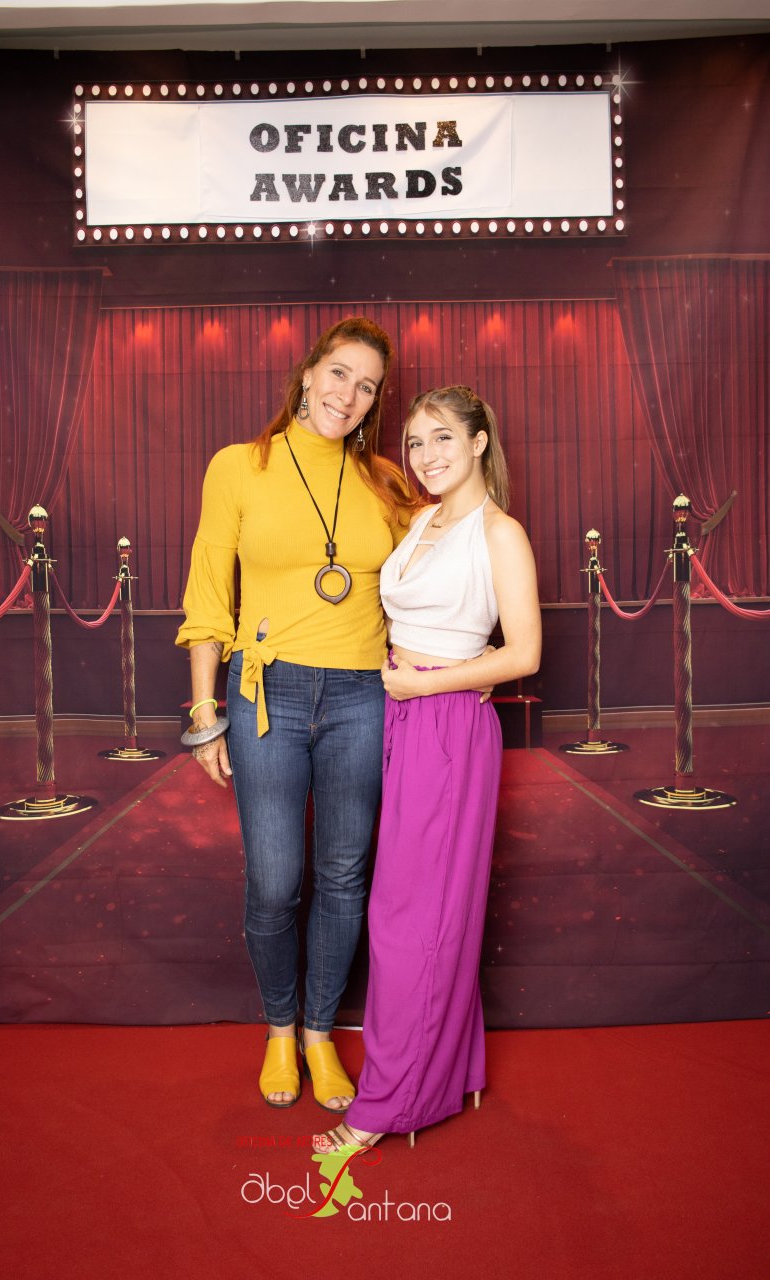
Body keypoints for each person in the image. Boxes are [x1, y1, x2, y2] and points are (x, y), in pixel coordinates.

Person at [175, 317, 419, 1112]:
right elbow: (209, 591)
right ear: (308, 373)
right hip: (265, 694)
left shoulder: (386, 482)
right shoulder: (239, 466)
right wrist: (204, 710)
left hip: (360, 696)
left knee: (344, 876)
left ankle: (318, 1033)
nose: (348, 394)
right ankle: (278, 1028)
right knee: (275, 882)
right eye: (339, 373)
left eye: (367, 386)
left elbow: (422, 584)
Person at [313, 384, 541, 1154]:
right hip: (398, 714)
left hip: (440, 723)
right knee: (422, 908)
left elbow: (523, 653)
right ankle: (453, 1069)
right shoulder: (419, 520)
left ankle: (388, 1104)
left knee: (413, 918)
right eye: (414, 441)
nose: (425, 455)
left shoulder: (499, 533)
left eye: (442, 437)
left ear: (478, 441)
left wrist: (433, 682)